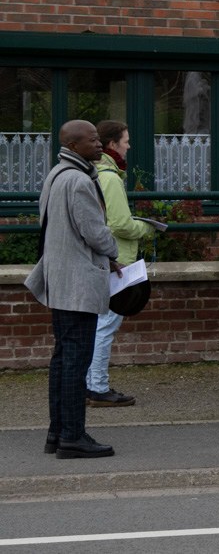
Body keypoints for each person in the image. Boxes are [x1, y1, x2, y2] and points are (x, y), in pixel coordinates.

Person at [26, 121, 119, 458]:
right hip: (77, 283)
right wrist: (113, 252)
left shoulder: (56, 174)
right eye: (93, 140)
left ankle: (58, 433)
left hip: (61, 278)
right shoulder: (79, 180)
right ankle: (73, 437)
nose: (99, 144)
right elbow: (94, 231)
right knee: (75, 360)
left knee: (63, 358)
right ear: (74, 144)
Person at [85, 119, 159, 408]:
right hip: (117, 259)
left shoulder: (94, 172)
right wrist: (147, 228)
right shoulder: (111, 177)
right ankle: (98, 387)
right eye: (125, 141)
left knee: (97, 324)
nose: (129, 146)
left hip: (101, 258)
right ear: (113, 144)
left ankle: (90, 384)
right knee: (106, 325)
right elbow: (119, 224)